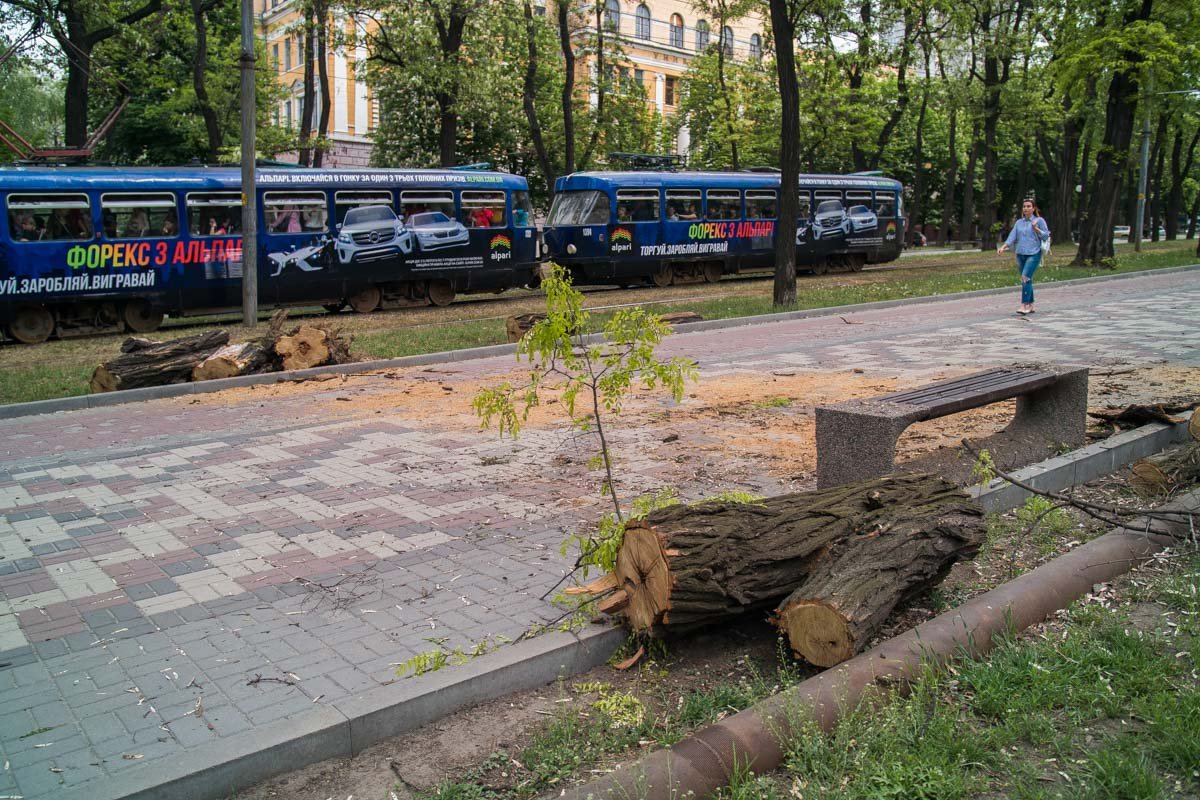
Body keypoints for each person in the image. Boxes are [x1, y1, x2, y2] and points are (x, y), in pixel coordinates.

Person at [998, 198, 1050, 315]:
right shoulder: (1019, 223)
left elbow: (1046, 236)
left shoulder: (1039, 220)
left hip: (1034, 253)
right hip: (1020, 253)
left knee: (1025, 277)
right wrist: (1003, 247)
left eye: (1028, 206)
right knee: (1026, 279)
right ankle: (1031, 305)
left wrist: (1036, 229)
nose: (1026, 208)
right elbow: (1012, 236)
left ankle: (1024, 304)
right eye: (1024, 206)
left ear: (1033, 208)